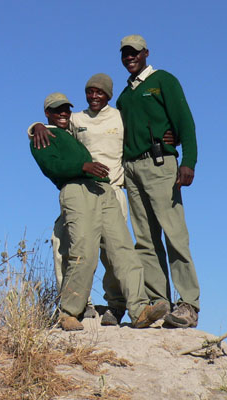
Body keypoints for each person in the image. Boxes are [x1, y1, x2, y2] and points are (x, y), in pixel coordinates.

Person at [31, 74, 177, 326]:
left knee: (122, 251)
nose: (63, 113)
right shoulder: (44, 137)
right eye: (56, 111)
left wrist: (172, 135)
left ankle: (139, 308)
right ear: (47, 113)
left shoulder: (75, 128)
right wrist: (82, 164)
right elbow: (52, 167)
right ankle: (69, 311)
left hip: (105, 189)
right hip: (77, 190)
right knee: (83, 252)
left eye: (66, 108)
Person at [117, 34, 200, 328]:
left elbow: (185, 121)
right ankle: (159, 303)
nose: (130, 57)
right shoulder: (124, 97)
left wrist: (188, 161)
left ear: (146, 53)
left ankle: (188, 303)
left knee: (174, 233)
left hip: (160, 163)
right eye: (125, 53)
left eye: (135, 52)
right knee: (145, 239)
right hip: (132, 169)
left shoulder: (162, 80)